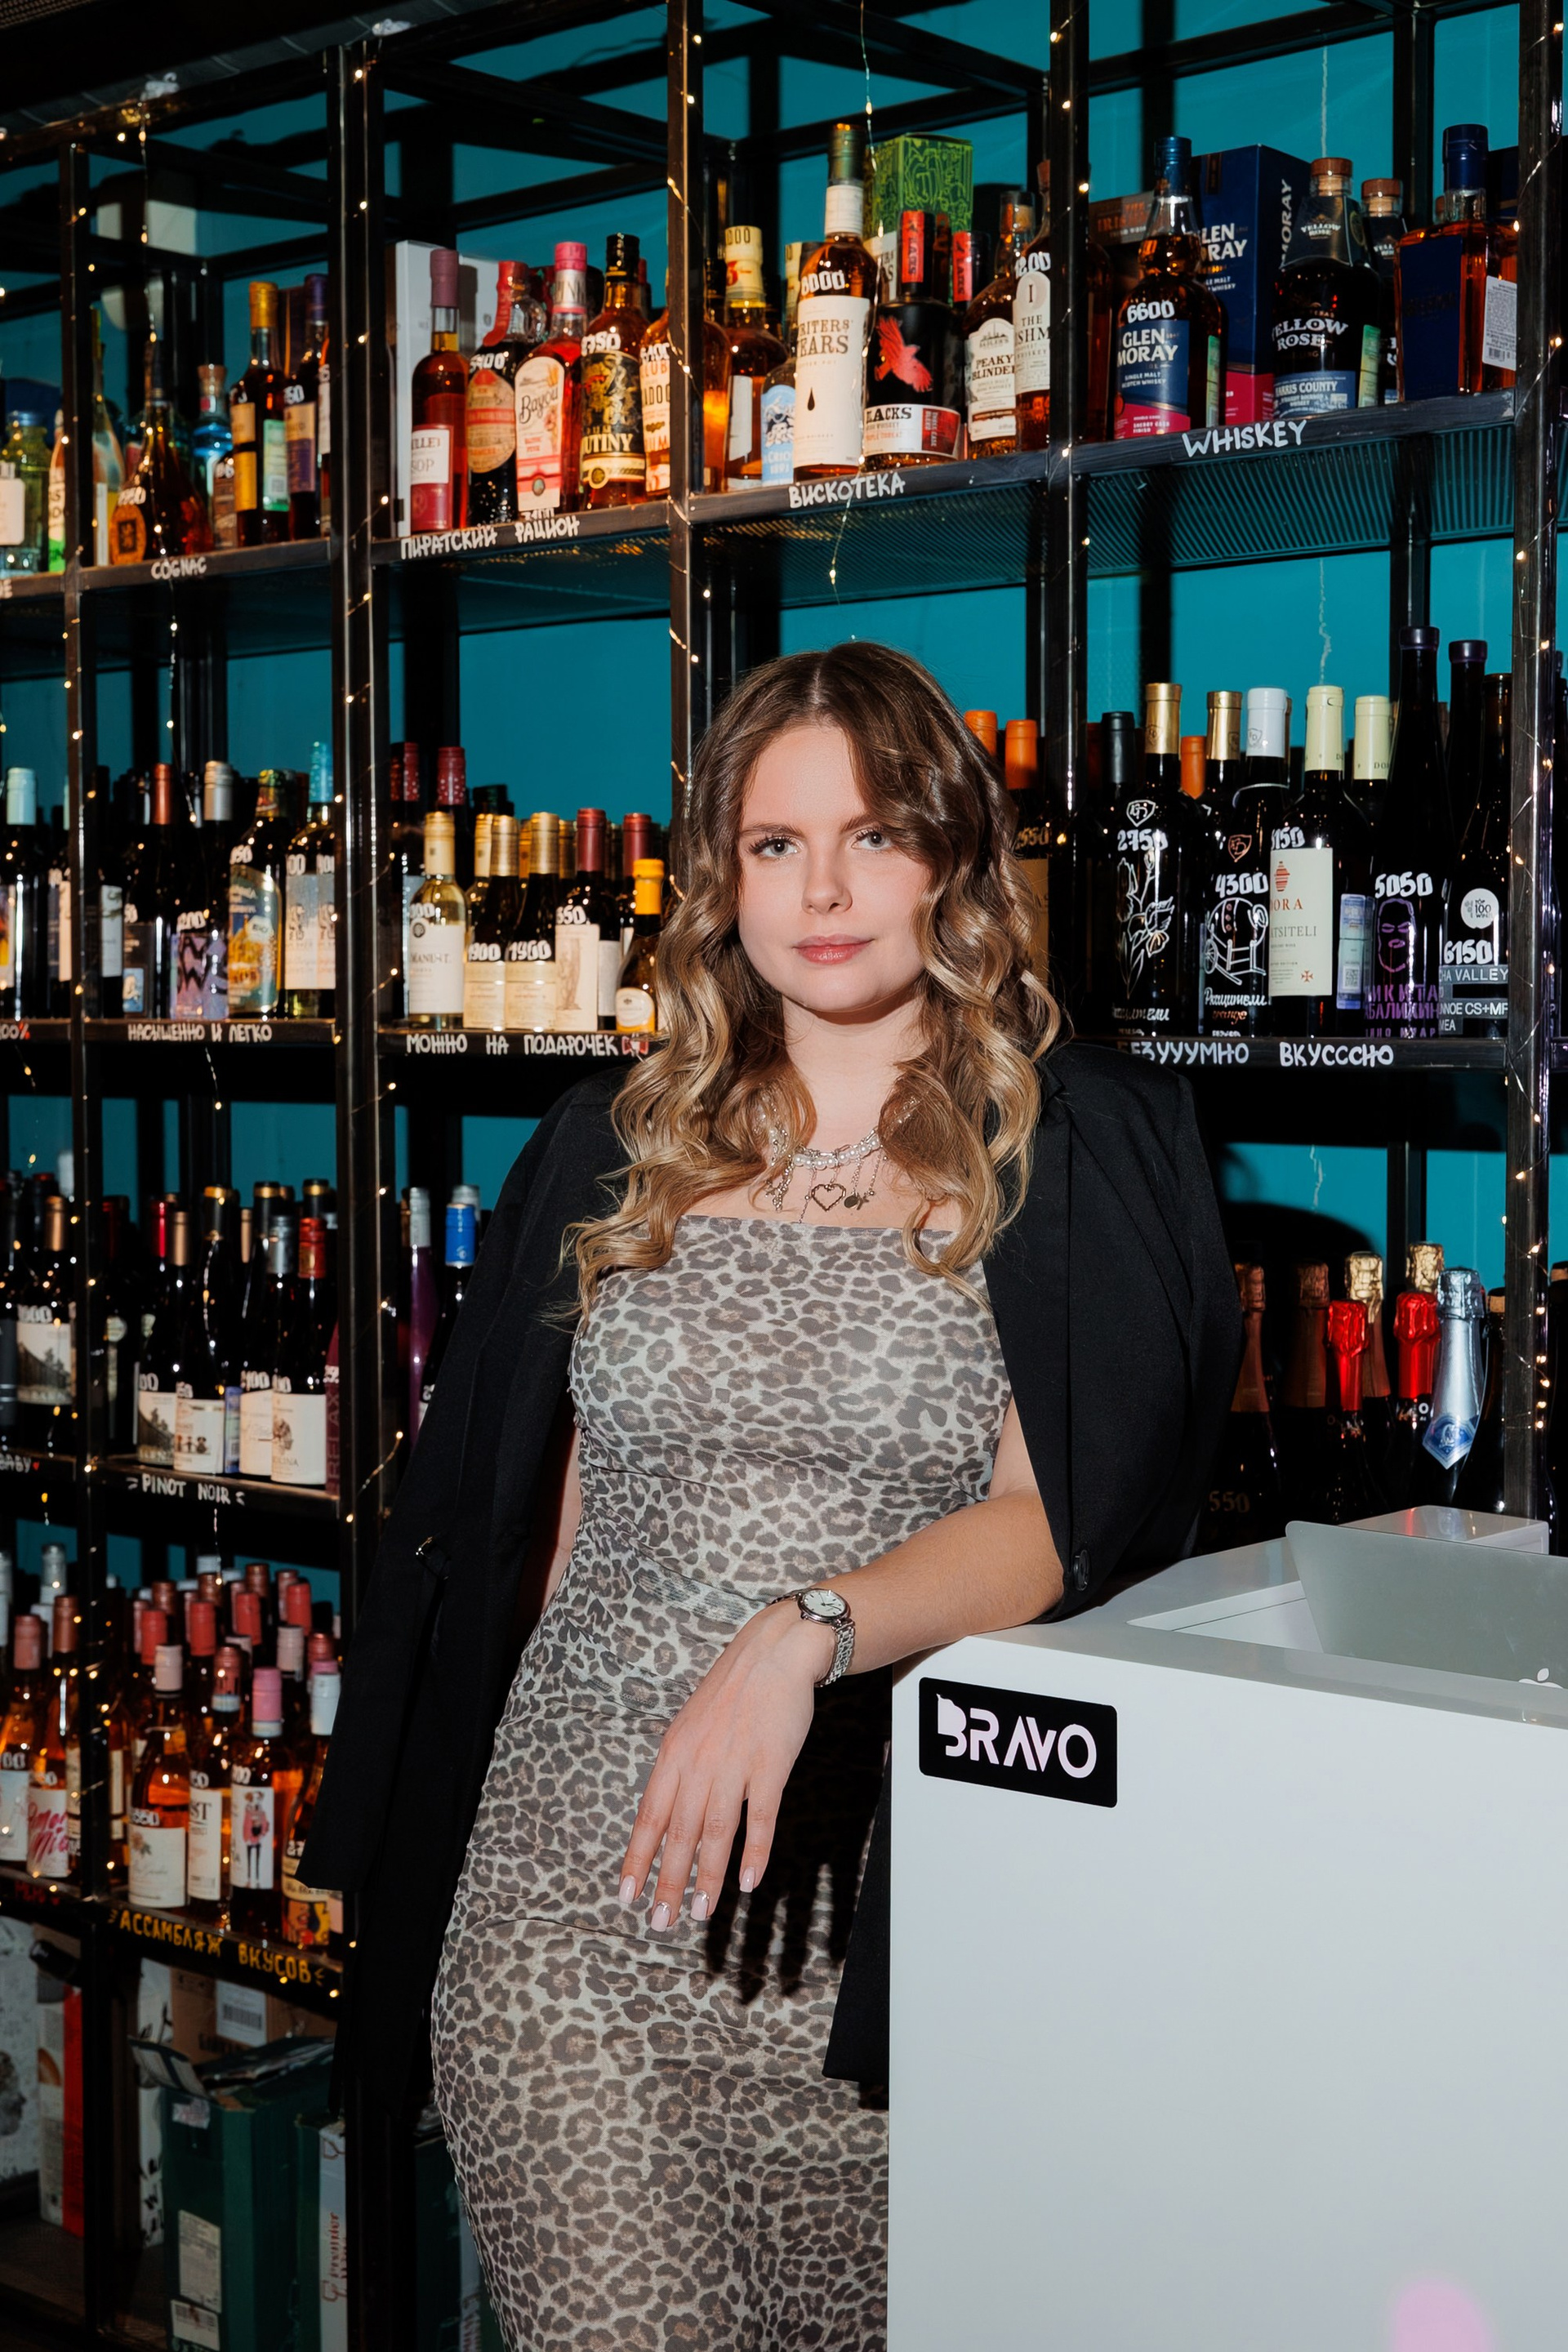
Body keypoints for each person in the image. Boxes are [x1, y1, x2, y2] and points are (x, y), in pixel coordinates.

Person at [303, 642, 1241, 2350]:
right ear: (720, 877)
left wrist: (807, 1628)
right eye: (775, 844)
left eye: (874, 837)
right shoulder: (613, 1138)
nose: (822, 892)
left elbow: (1062, 1523)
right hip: (573, 1904)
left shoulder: (1073, 1147)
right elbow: (538, 1530)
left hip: (885, 1933)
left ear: (953, 858)